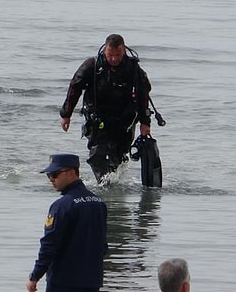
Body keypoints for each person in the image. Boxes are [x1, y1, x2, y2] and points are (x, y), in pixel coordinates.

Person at [59, 34, 152, 183]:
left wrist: (145, 123)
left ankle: (113, 185)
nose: (114, 59)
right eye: (110, 55)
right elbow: (75, 87)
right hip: (98, 118)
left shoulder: (133, 68)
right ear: (104, 52)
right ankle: (103, 184)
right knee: (98, 155)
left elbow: (143, 95)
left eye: (118, 55)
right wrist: (66, 114)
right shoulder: (93, 65)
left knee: (119, 156)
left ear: (124, 51)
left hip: (124, 120)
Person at [26, 153, 108, 292]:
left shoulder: (62, 206)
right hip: (92, 281)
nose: (51, 179)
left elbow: (49, 245)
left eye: (55, 174)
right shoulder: (98, 203)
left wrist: (35, 276)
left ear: (71, 173)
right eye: (49, 175)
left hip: (64, 282)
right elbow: (103, 246)